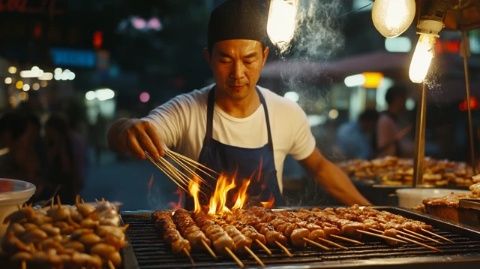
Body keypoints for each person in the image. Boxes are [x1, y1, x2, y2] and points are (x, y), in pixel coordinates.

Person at [108, 0, 370, 207]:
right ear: (208, 58)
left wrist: (369, 209)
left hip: (270, 254)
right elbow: (124, 135)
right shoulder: (186, 110)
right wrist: (126, 128)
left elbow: (321, 167)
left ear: (264, 57)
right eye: (225, 60)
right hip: (201, 253)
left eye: (248, 59)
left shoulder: (286, 113)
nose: (238, 73)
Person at [376, 84, 414, 157]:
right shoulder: (385, 120)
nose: (405, 101)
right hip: (387, 162)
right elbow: (382, 146)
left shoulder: (395, 118)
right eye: (404, 98)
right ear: (397, 99)